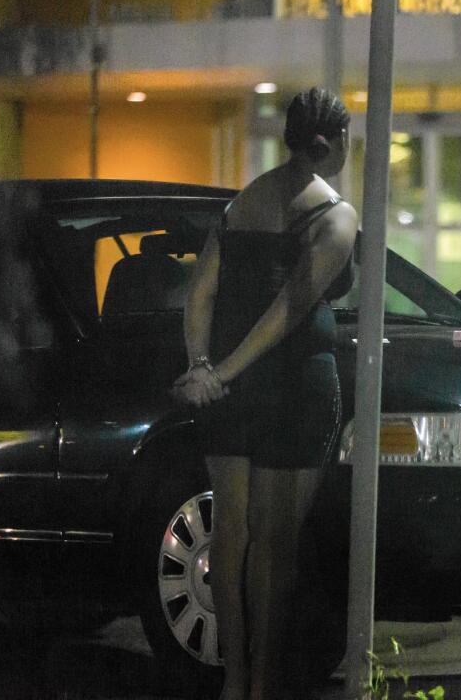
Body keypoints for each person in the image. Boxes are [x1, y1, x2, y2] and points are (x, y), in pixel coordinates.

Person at [173, 87, 358, 700]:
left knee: (231, 534)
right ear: (329, 144)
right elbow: (290, 309)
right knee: (275, 544)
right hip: (291, 389)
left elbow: (199, 293)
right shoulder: (334, 215)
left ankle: (233, 679)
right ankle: (262, 685)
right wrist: (224, 371)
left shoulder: (241, 204)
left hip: (231, 397)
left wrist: (204, 367)